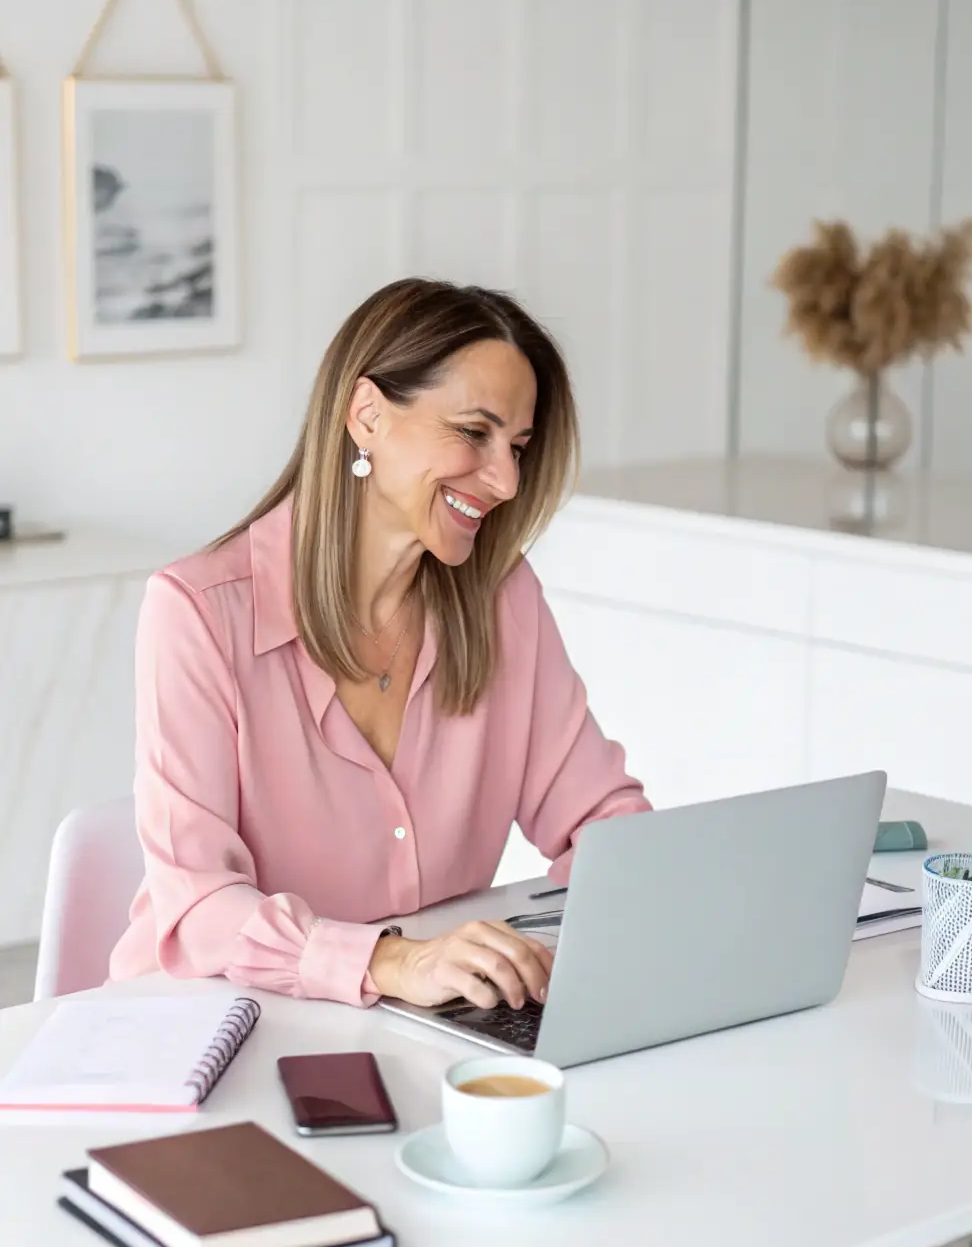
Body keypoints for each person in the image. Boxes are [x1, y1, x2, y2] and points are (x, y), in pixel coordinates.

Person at [109, 278, 650, 1012]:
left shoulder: (501, 599)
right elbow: (199, 904)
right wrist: (391, 962)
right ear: (366, 415)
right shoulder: (199, 615)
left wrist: (652, 903)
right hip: (201, 1031)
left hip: (408, 1026)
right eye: (473, 432)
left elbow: (602, 816)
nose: (505, 479)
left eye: (518, 446)